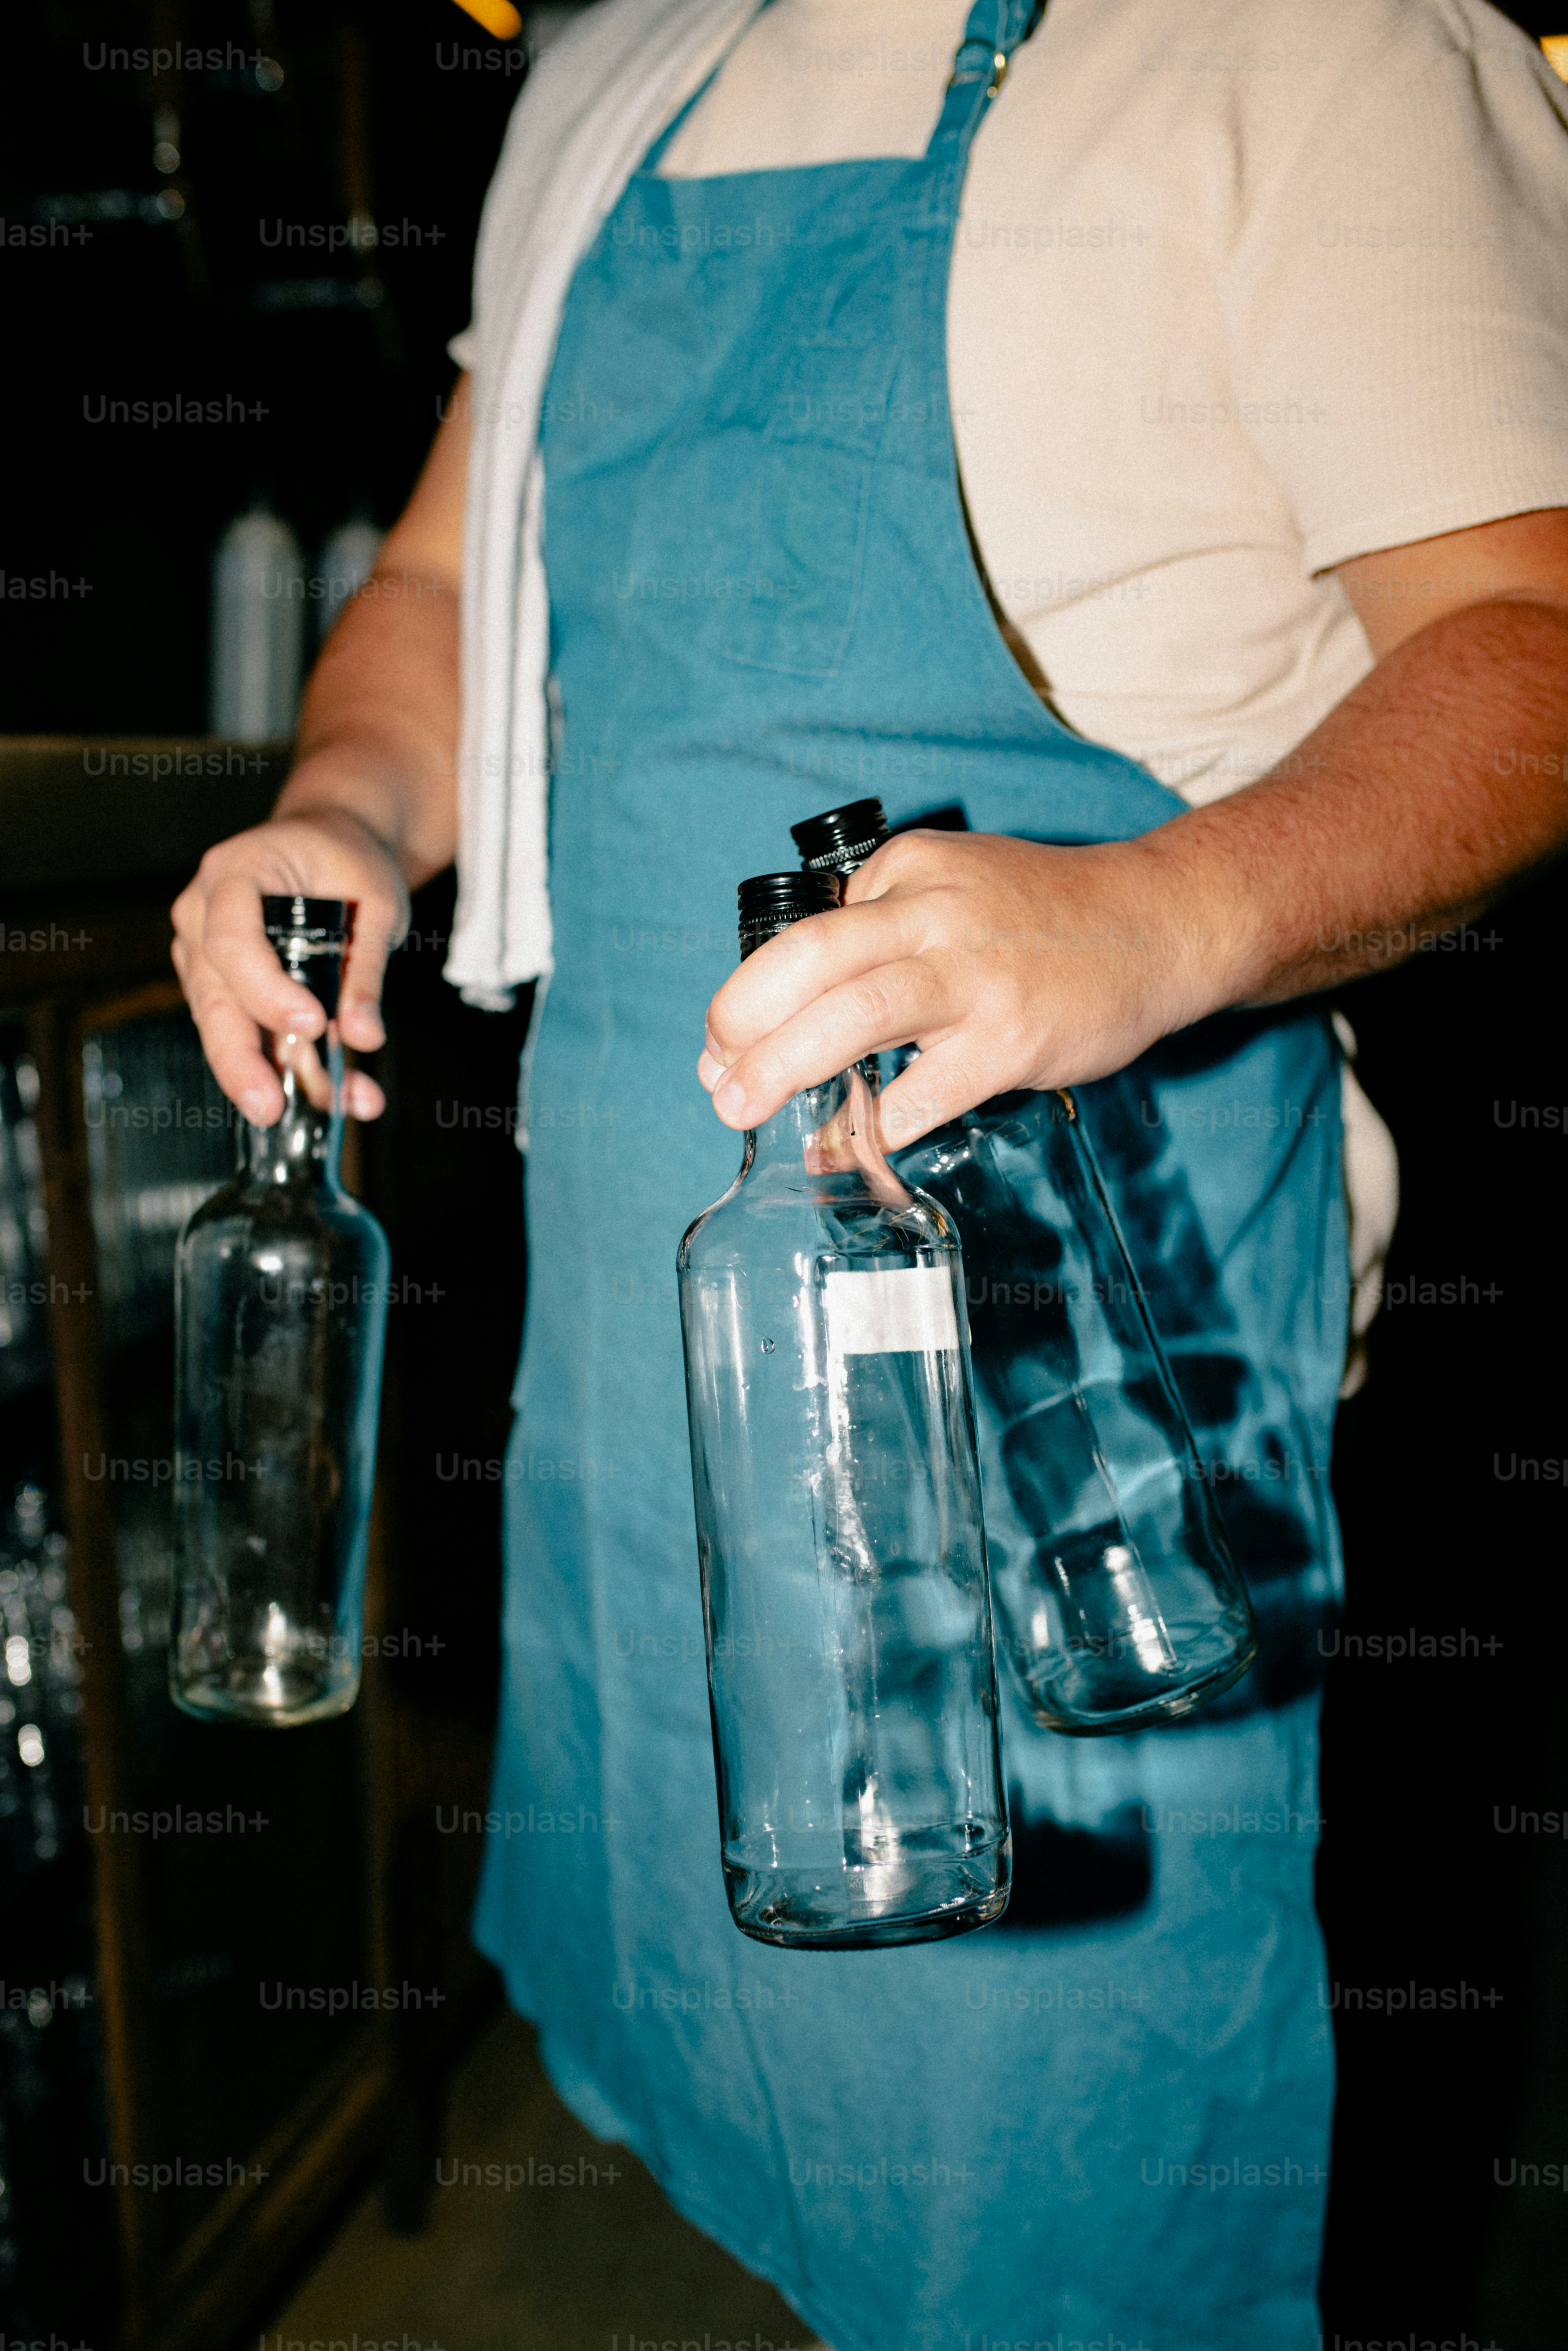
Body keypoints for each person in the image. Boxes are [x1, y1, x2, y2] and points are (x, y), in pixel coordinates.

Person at [173, 0, 1568, 2342]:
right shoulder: (615, 77)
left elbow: (1523, 647)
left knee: (1061, 2213)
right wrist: (344, 808)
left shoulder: (1311, 41)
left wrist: (1138, 912)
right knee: (773, 2139)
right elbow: (426, 593)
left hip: (1050, 1390)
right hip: (655, 1360)